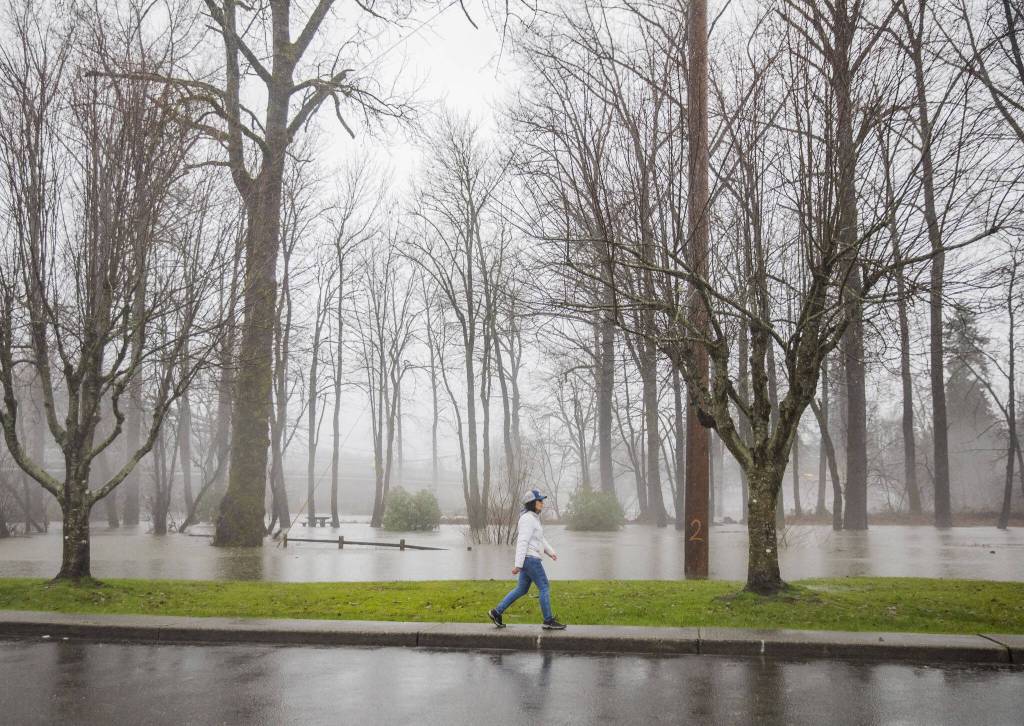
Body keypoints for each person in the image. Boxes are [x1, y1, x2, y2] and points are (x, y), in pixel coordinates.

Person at [488, 489, 567, 630]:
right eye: (540, 500)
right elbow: (522, 541)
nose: (542, 503)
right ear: (532, 503)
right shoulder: (527, 519)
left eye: (542, 500)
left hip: (529, 558)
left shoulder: (532, 518)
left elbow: (540, 539)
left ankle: (496, 612)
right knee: (544, 587)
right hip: (531, 559)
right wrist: (518, 565)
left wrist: (551, 552)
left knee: (521, 589)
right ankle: (548, 620)